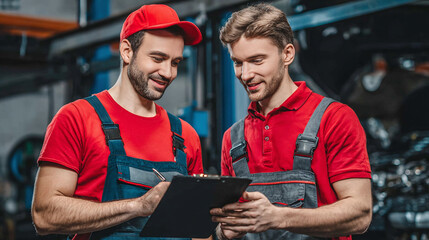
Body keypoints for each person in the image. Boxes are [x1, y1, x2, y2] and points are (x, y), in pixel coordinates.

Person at [31, 4, 204, 240]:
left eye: (175, 62)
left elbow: (196, 230)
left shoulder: (185, 135)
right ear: (126, 51)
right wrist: (138, 206)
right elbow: (44, 215)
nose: (167, 72)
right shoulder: (77, 118)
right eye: (158, 58)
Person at [210, 3, 372, 240]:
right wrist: (225, 232)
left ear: (287, 54)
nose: (245, 75)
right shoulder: (233, 139)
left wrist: (278, 217)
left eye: (257, 60)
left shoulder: (334, 118)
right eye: (238, 62)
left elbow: (360, 214)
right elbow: (228, 223)